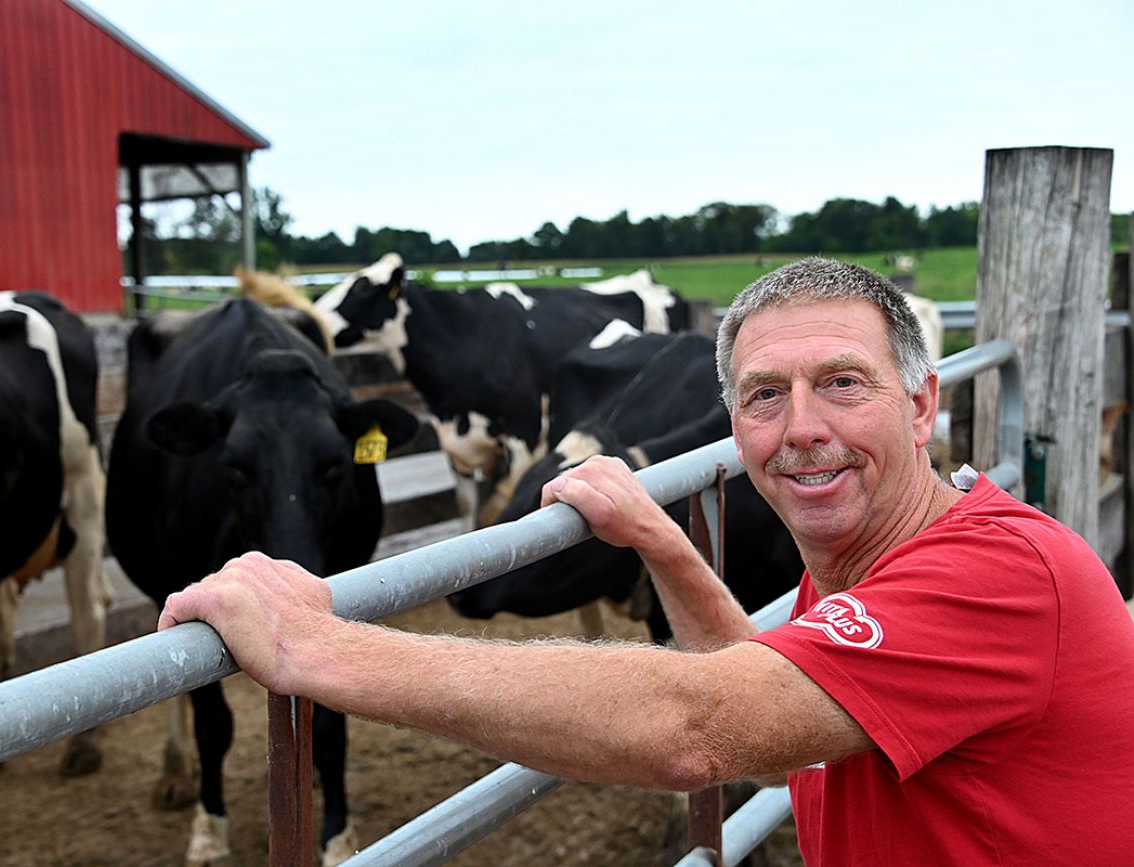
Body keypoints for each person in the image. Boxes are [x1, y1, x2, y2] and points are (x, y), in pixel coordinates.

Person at [159, 257, 1134, 865]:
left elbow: (698, 728)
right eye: (761, 397)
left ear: (922, 406)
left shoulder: (996, 575)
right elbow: (769, 710)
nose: (801, 430)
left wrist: (317, 648)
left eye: (843, 383)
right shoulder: (858, 579)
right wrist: (664, 540)